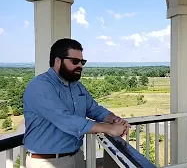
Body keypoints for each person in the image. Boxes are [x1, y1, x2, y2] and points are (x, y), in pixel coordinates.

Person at [23, 38, 131, 168]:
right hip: (47, 162)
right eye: (75, 61)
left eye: (82, 62)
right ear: (58, 61)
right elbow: (66, 120)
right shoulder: (40, 86)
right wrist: (109, 129)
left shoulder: (77, 86)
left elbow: (94, 109)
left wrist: (114, 119)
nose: (80, 66)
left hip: (76, 156)